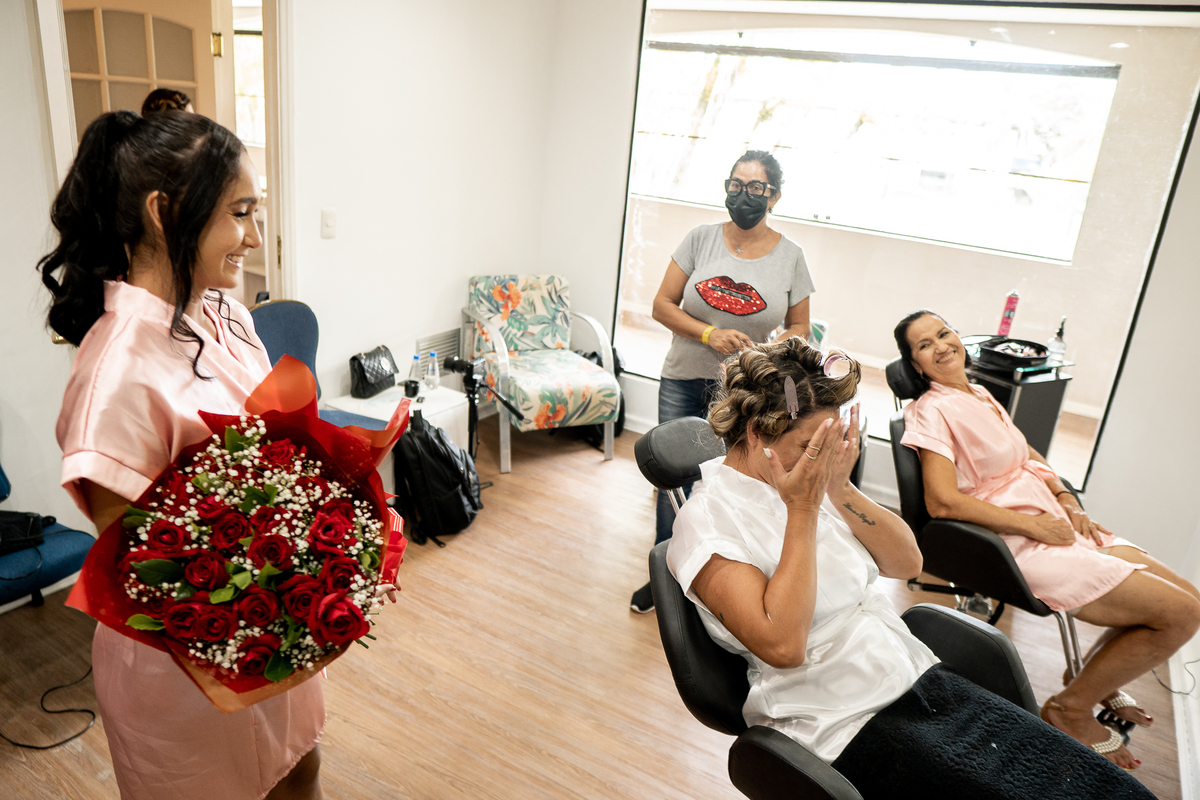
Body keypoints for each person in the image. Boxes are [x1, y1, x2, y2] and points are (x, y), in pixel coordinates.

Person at [667, 337, 1155, 798]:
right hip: (840, 721)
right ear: (757, 433)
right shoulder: (708, 523)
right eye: (811, 447)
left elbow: (907, 562)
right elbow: (783, 646)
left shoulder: (808, 482)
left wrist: (840, 489)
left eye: (830, 443)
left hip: (916, 679)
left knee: (1105, 788)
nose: (822, 459)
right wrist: (803, 510)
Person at [43, 111, 323, 799]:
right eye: (240, 214)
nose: (254, 238)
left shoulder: (224, 313)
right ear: (165, 213)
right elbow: (148, 578)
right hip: (185, 673)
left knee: (302, 770)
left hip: (272, 626)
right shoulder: (115, 376)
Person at [894, 309, 1200, 770]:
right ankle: (1070, 708)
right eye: (924, 345)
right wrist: (1035, 526)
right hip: (1017, 543)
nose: (940, 345)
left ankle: (1088, 678)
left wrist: (1067, 499)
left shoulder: (977, 393)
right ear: (916, 365)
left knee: (1189, 598)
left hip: (1056, 523)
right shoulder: (931, 410)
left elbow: (1026, 453)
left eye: (944, 332)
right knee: (1181, 614)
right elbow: (941, 502)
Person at [631, 149, 815, 613]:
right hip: (684, 378)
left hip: (742, 390)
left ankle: (719, 581)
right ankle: (667, 576)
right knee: (673, 482)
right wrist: (710, 333)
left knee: (729, 484)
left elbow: (801, 328)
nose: (744, 195)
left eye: (756, 188)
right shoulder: (700, 239)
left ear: (774, 196)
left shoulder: (791, 257)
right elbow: (662, 305)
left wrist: (762, 352)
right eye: (736, 185)